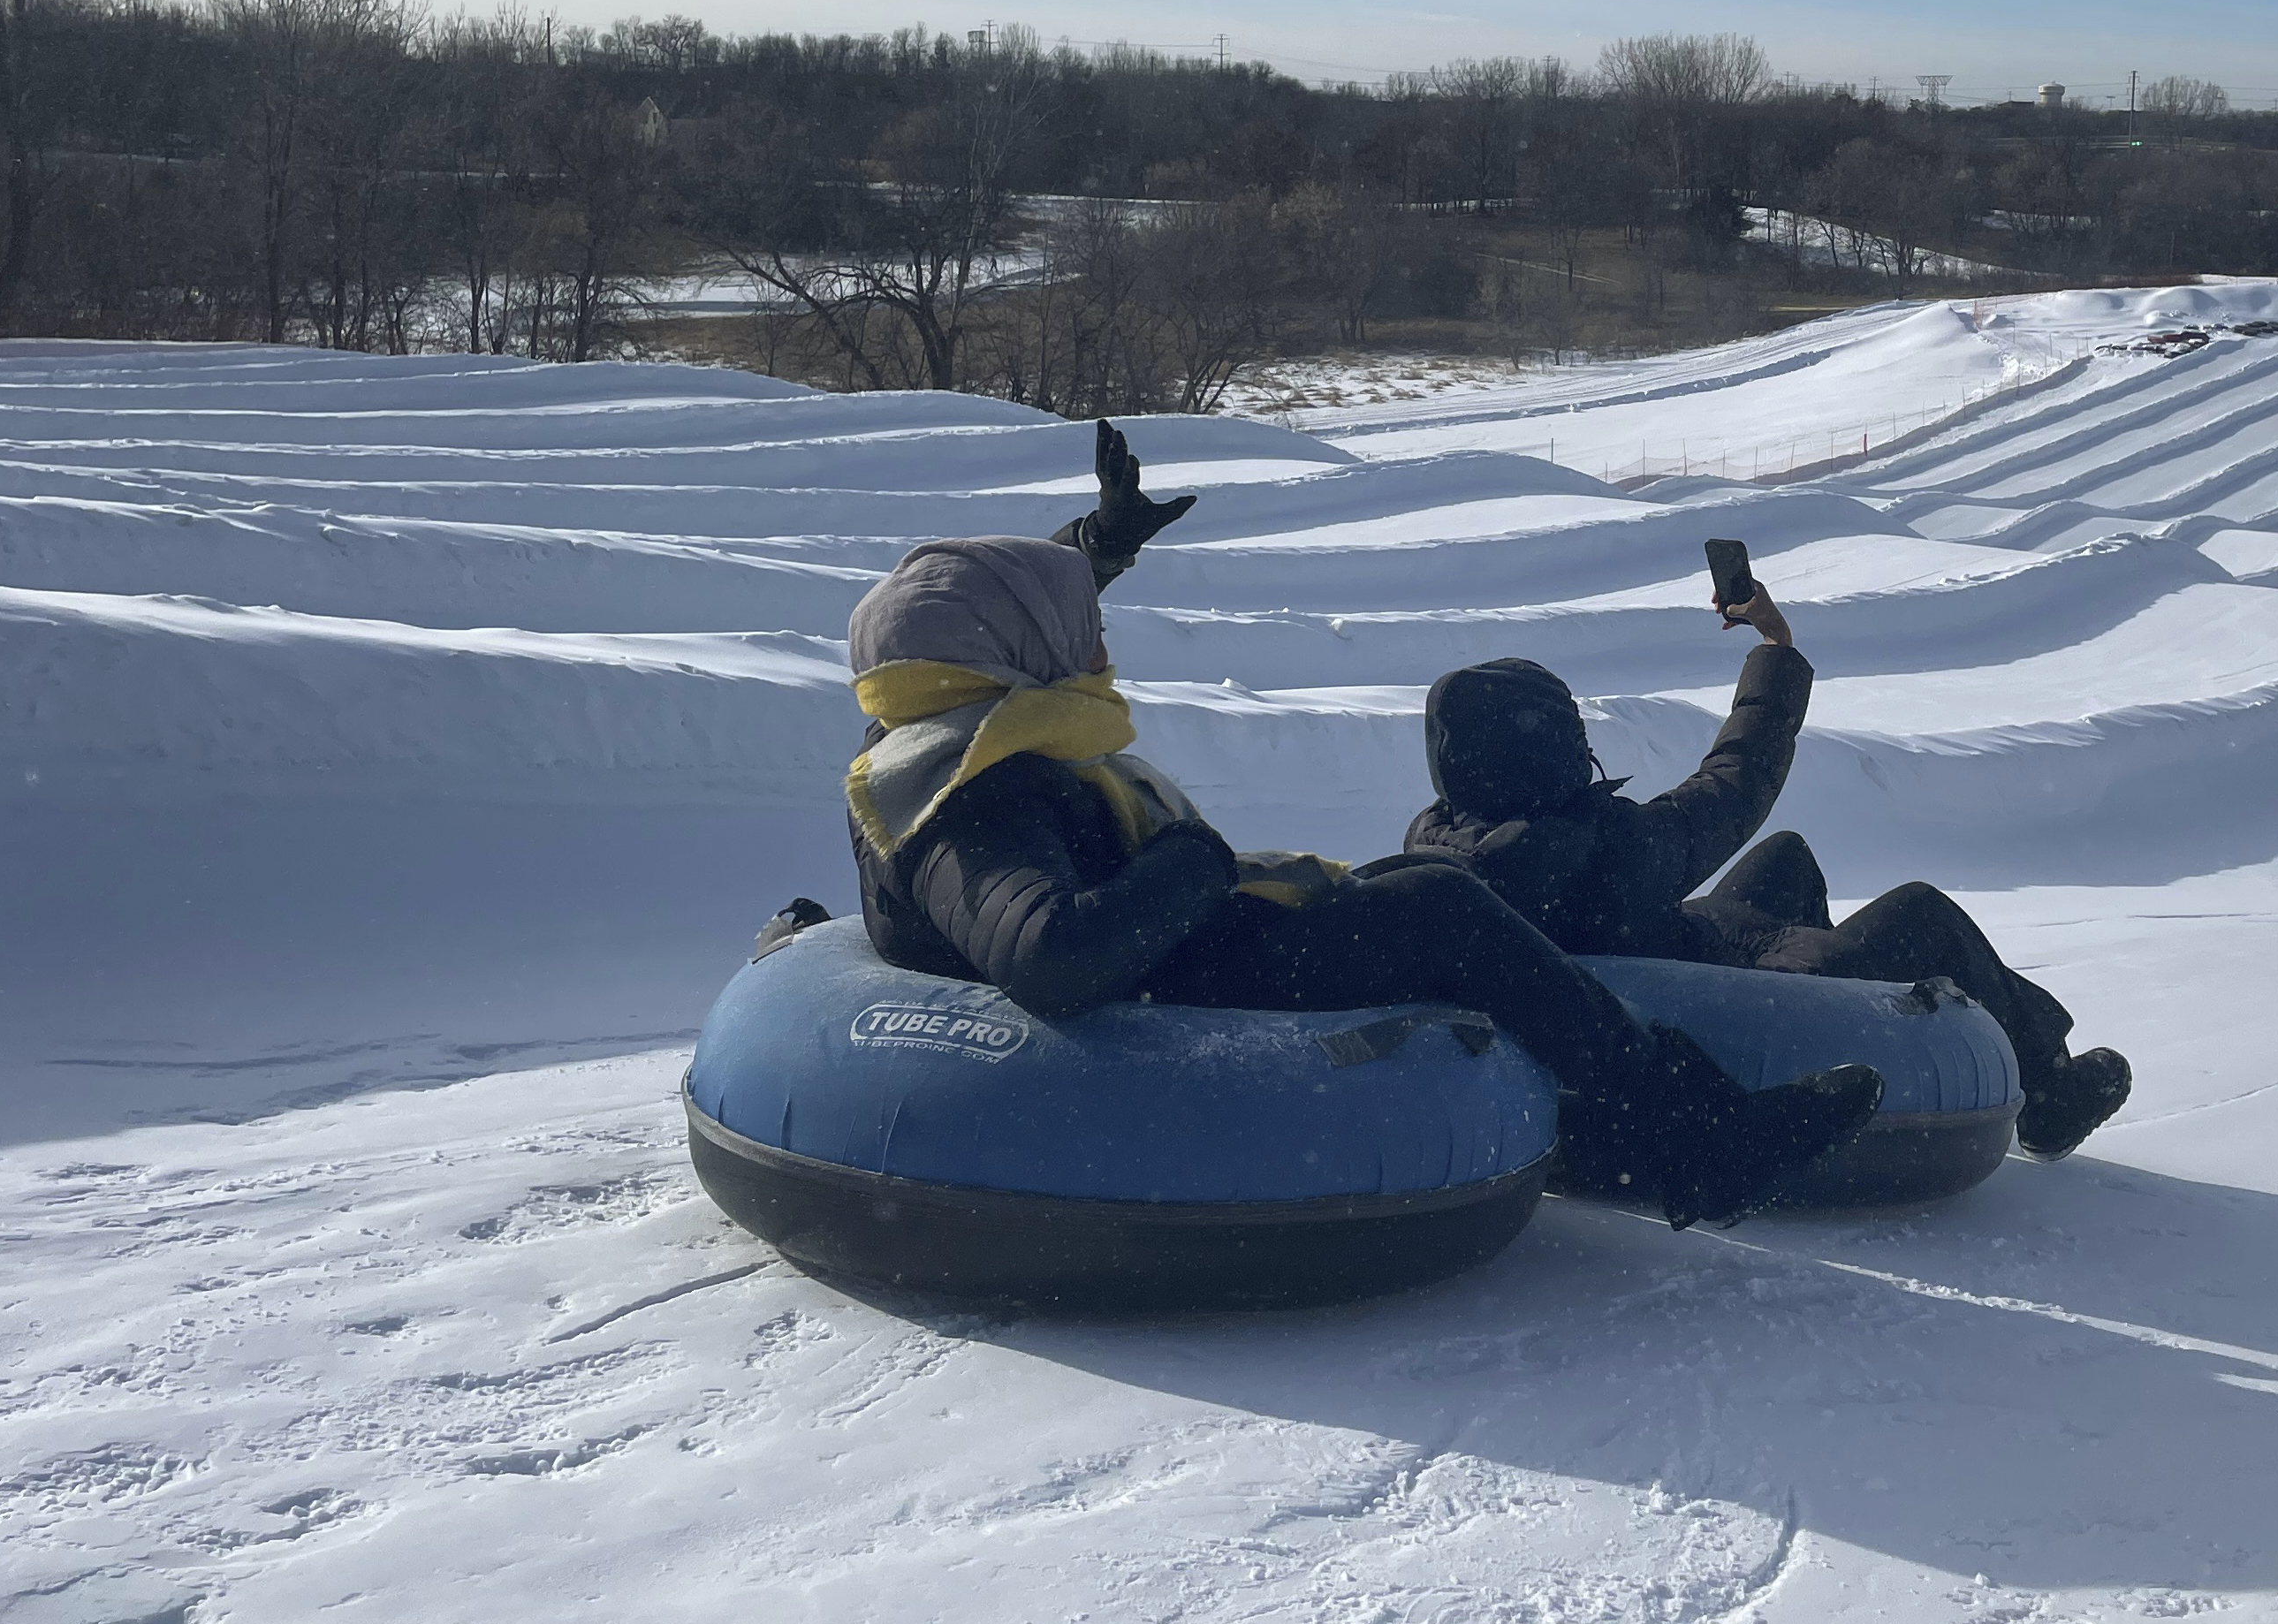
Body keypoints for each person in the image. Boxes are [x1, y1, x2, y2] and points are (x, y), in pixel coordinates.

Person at [839, 423, 1879, 1230]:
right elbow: (1054, 955)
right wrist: (1192, 858)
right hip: (1186, 975)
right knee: (1439, 905)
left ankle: (1620, 1119)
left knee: (1402, 883)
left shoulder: (957, 731)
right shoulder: (970, 793)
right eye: (1072, 624)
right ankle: (1702, 1142)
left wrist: (1094, 548)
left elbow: (973, 615)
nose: (1091, 642)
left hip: (1183, 946)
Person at [1400, 581, 2135, 1161]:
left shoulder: (1439, 844)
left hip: (1676, 954)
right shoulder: (1605, 852)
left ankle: (1847, 1021)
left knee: (1786, 856)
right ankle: (2045, 1091)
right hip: (1733, 993)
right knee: (1922, 911)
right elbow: (1735, 780)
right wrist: (1777, 647)